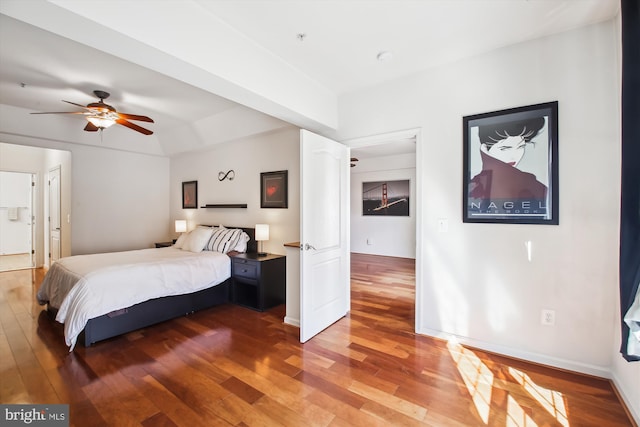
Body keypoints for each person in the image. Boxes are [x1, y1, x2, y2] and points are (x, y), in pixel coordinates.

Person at [469, 116, 547, 202]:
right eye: (505, 148)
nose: (514, 156)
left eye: (521, 147)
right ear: (485, 148)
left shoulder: (531, 184)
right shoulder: (474, 187)